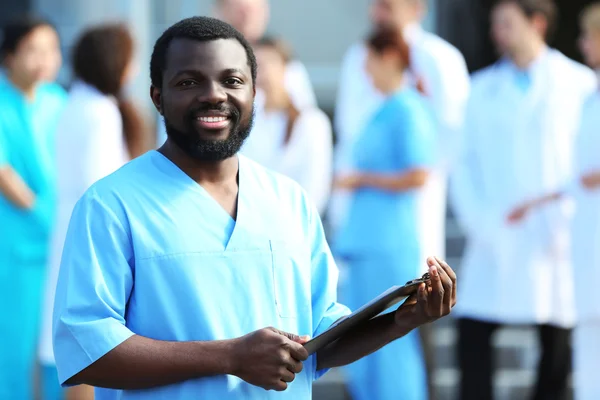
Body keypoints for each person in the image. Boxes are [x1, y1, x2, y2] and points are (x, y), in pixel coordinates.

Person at [51, 16, 457, 400]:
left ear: (253, 92)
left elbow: (316, 344)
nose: (214, 94)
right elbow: (89, 350)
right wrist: (229, 357)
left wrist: (401, 320)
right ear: (158, 96)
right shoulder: (111, 205)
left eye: (232, 80)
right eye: (190, 81)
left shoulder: (289, 201)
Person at [450, 0, 597, 399]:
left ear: (537, 23)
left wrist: (569, 219)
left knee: (558, 345)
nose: (498, 32)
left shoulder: (579, 84)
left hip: (558, 233)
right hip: (496, 228)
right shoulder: (479, 90)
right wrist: (481, 221)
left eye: (507, 23)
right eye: (496, 24)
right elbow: (462, 164)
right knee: (475, 334)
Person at [37, 23, 148, 400]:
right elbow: (104, 189)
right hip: (96, 238)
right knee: (92, 344)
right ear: (115, 63)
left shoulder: (74, 103)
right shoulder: (101, 111)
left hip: (68, 230)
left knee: (74, 343)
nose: (133, 71)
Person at [333, 25, 436, 400]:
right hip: (366, 241)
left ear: (389, 59)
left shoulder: (408, 109)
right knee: (364, 347)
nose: (366, 73)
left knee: (390, 343)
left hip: (387, 241)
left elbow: (419, 173)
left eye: (370, 63)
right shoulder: (383, 109)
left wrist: (361, 178)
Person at [506, 4, 600, 399]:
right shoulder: (591, 95)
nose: (582, 45)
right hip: (586, 236)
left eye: (588, 37)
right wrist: (537, 200)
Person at [331, 0, 470, 264]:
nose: (377, 14)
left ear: (416, 9)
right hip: (361, 200)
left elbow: (454, 132)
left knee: (411, 282)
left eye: (387, 6)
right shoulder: (358, 55)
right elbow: (348, 128)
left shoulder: (440, 57)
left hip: (413, 197)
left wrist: (412, 173)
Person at [0, 15, 67, 400]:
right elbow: (5, 174)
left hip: (58, 239)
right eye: (32, 50)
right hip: (16, 243)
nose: (44, 59)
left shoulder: (58, 101)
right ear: (9, 56)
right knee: (14, 342)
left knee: (58, 342)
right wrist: (47, 218)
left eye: (51, 50)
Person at [156, 0, 317, 146]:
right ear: (218, 11)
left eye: (254, 10)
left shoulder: (289, 70)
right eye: (240, 10)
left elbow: (306, 131)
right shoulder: (191, 61)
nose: (247, 17)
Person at [241, 37, 333, 215]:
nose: (261, 70)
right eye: (255, 63)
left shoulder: (311, 122)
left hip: (292, 224)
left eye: (268, 62)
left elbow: (316, 185)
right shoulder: (245, 121)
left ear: (286, 67)